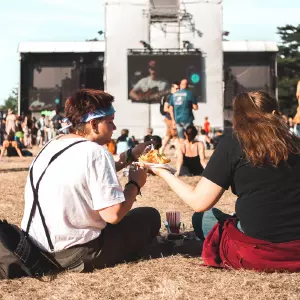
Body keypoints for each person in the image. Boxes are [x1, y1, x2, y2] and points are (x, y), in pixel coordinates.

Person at [148, 91, 300, 272]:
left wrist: (163, 172)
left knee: (202, 218)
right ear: (275, 114)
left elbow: (199, 202)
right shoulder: (296, 144)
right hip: (295, 247)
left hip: (257, 249)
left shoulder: (234, 144)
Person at [21, 88, 160, 273]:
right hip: (74, 252)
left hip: (36, 247)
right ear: (94, 124)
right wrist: (135, 184)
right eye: (110, 122)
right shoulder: (95, 152)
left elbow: (89, 168)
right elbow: (113, 215)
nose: (114, 128)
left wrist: (131, 154)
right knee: (150, 216)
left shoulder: (53, 144)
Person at [160, 82, 179, 153]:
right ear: (172, 88)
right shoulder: (170, 96)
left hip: (169, 119)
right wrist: (174, 112)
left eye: (179, 88)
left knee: (168, 136)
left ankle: (161, 151)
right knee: (176, 136)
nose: (178, 90)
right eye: (176, 88)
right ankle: (178, 153)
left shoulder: (172, 96)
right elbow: (165, 108)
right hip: (170, 119)